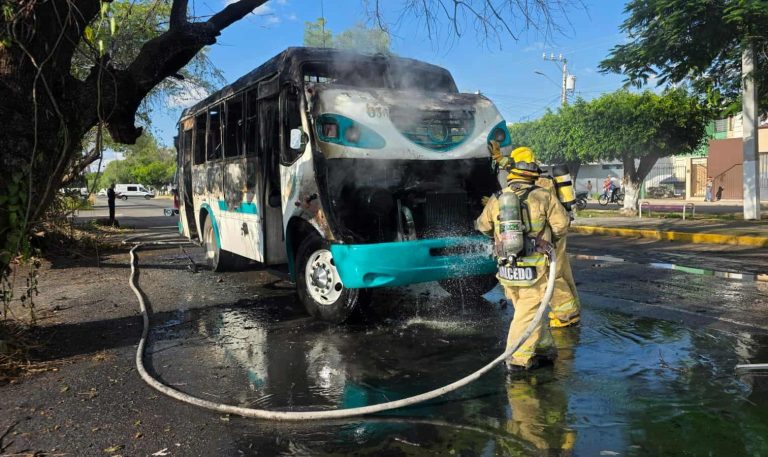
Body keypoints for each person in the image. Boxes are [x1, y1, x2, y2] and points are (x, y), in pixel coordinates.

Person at [476, 144, 572, 371]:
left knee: (527, 309)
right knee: (528, 314)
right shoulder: (543, 195)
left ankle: (543, 348)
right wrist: (549, 241)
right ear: (533, 171)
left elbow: (483, 226)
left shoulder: (498, 197)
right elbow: (561, 225)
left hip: (507, 268)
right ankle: (517, 360)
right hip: (535, 268)